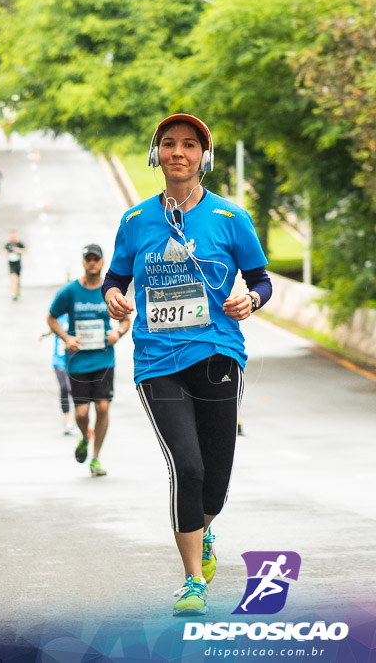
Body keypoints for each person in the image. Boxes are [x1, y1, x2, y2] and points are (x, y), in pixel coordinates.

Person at [101, 113, 272, 616]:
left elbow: (261, 280)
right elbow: (115, 278)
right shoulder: (135, 222)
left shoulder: (230, 219)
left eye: (189, 145)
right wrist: (114, 297)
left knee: (215, 474)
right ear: (157, 155)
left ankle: (204, 526)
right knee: (187, 465)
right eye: (169, 144)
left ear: (204, 156)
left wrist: (251, 302)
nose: (179, 152)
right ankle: (193, 580)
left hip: (219, 351)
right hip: (157, 360)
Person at [47, 244, 130, 476]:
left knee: (102, 407)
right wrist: (66, 338)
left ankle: (95, 457)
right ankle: (85, 435)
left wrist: (118, 334)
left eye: (96, 259)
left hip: (103, 359)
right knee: (82, 413)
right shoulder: (70, 291)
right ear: (83, 262)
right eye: (88, 259)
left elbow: (125, 320)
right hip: (77, 360)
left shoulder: (109, 291)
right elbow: (51, 317)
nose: (92, 262)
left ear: (102, 262)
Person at [42, 313, 76, 436]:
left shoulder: (76, 315)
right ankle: (68, 421)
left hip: (74, 361)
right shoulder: (58, 317)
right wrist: (43, 334)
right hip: (59, 361)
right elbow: (51, 328)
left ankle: (78, 420)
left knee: (74, 390)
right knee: (64, 388)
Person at [4, 229, 26, 301]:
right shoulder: (8, 244)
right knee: (13, 279)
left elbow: (25, 250)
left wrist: (18, 250)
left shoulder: (19, 244)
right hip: (11, 264)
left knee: (18, 280)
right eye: (11, 236)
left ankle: (17, 291)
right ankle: (14, 294)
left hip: (18, 263)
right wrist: (7, 251)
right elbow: (4, 251)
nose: (12, 237)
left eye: (13, 235)